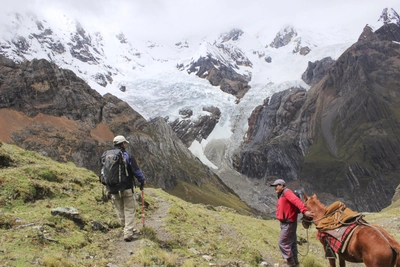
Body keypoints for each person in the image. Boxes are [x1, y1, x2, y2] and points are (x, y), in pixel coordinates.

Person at [107, 135, 146, 242]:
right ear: (122, 144)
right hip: (127, 187)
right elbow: (136, 171)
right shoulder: (127, 156)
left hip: (113, 188)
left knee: (119, 209)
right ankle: (128, 232)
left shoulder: (108, 155)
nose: (126, 145)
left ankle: (126, 228)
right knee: (129, 209)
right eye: (125, 143)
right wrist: (142, 180)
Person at [270, 178, 313, 267]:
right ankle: (295, 262)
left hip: (288, 222)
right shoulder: (282, 194)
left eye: (277, 186)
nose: (275, 188)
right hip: (287, 222)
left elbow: (296, 201)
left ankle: (290, 263)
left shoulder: (287, 192)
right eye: (274, 186)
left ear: (282, 185)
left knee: (283, 242)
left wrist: (304, 211)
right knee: (292, 241)